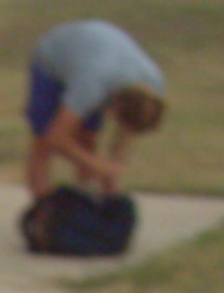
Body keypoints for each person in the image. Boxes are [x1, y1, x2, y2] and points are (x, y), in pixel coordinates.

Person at [24, 19, 167, 198]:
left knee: (88, 139)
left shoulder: (153, 87)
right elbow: (56, 138)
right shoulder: (92, 84)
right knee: (43, 142)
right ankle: (43, 208)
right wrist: (97, 165)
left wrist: (111, 178)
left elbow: (125, 137)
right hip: (54, 62)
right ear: (114, 108)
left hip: (96, 56)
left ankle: (87, 201)